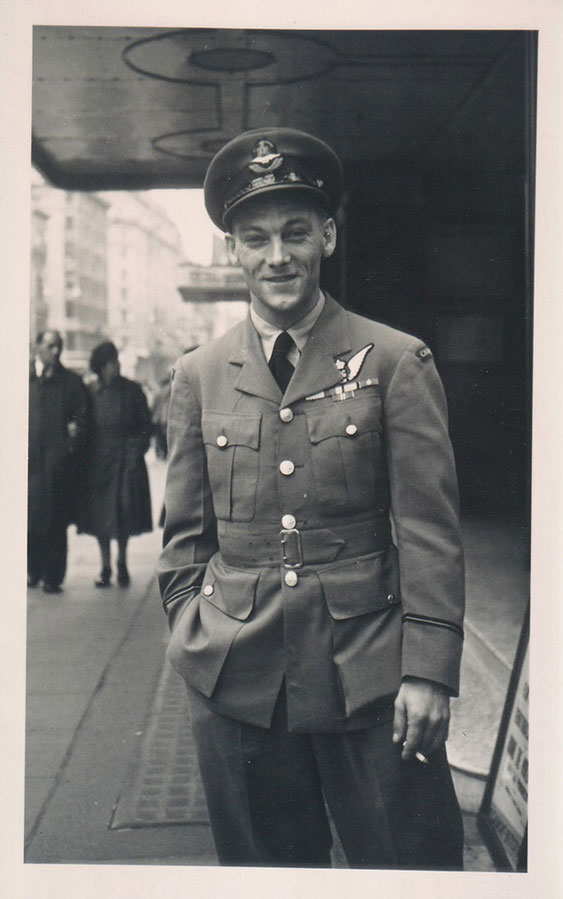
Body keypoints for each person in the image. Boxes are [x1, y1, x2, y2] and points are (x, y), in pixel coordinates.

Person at [158, 128, 466, 869]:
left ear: (327, 236)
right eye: (255, 238)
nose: (277, 256)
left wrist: (427, 669)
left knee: (408, 864)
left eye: (295, 233)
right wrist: (195, 636)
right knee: (267, 870)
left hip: (372, 675)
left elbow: (428, 530)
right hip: (239, 680)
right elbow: (184, 540)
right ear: (232, 250)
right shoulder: (199, 374)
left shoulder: (395, 360)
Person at [81, 341, 153, 588]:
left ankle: (122, 563)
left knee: (124, 514)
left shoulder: (133, 391)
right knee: (100, 517)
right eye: (111, 362)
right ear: (101, 367)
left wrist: (135, 452)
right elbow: (84, 426)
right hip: (98, 464)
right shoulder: (91, 392)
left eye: (116, 361)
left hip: (125, 462)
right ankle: (105, 567)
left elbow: (145, 427)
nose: (117, 366)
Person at [28, 329, 89, 593]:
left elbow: (83, 421)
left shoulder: (71, 383)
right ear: (37, 347)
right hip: (29, 464)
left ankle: (52, 576)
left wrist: (69, 447)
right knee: (28, 518)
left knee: (54, 520)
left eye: (59, 346)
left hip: (57, 465)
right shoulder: (25, 378)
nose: (56, 351)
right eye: (51, 346)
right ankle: (32, 570)